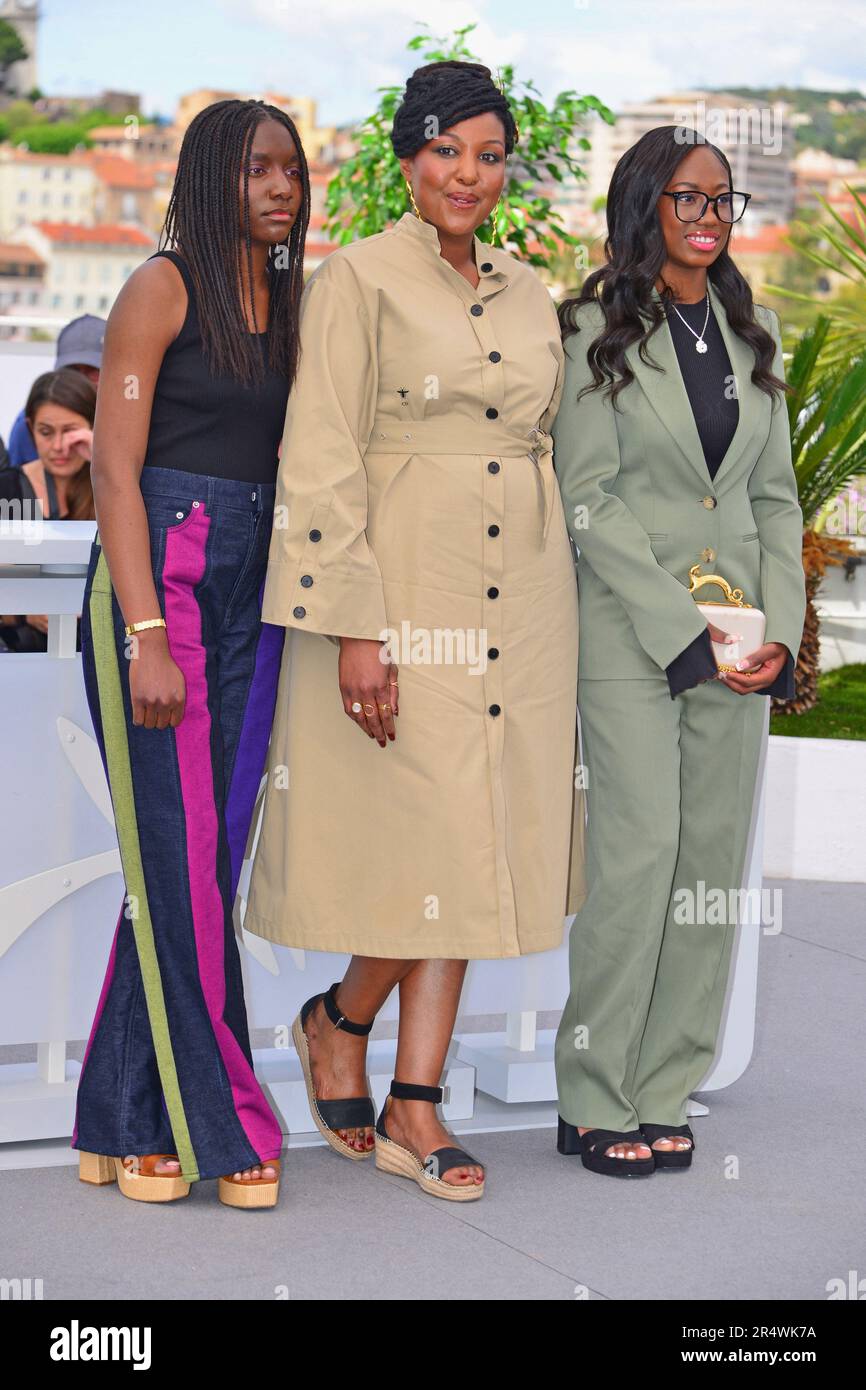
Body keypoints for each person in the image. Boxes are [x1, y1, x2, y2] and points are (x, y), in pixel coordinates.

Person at [243, 60, 586, 1203]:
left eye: (490, 156)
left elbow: (559, 442)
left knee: (478, 837)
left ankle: (409, 1095)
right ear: (406, 158)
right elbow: (322, 456)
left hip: (521, 598)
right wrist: (353, 626)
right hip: (408, 591)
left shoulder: (532, 290)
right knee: (437, 832)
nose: (469, 175)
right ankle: (344, 1026)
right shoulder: (355, 282)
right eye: (448, 151)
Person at [552, 126, 806, 1177]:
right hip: (631, 636)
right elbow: (586, 497)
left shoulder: (755, 337)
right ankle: (592, 1091)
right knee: (639, 858)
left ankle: (663, 1084)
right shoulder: (587, 329)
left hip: (738, 643)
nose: (705, 220)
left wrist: (780, 634)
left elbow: (774, 500)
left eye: (720, 203)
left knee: (707, 869)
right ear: (644, 204)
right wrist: (677, 626)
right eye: (685, 201)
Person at [70, 98, 310, 1209]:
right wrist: (143, 634)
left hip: (248, 591)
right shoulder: (159, 288)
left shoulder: (289, 297)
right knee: (182, 862)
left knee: (190, 865)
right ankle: (225, 1125)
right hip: (156, 583)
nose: (279, 187)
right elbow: (113, 472)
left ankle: (121, 1120)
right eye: (257, 169)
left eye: (290, 171)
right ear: (212, 175)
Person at [0, 368, 95, 653]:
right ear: (30, 429)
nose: (58, 446)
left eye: (70, 432)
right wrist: (22, 613)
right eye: (45, 432)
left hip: (92, 656)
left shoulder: (117, 491)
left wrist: (105, 466)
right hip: (23, 655)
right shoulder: (8, 488)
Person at [5, 315, 105, 468]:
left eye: (93, 371)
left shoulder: (134, 420)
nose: (82, 380)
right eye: (72, 371)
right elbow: (17, 483)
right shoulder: (33, 419)